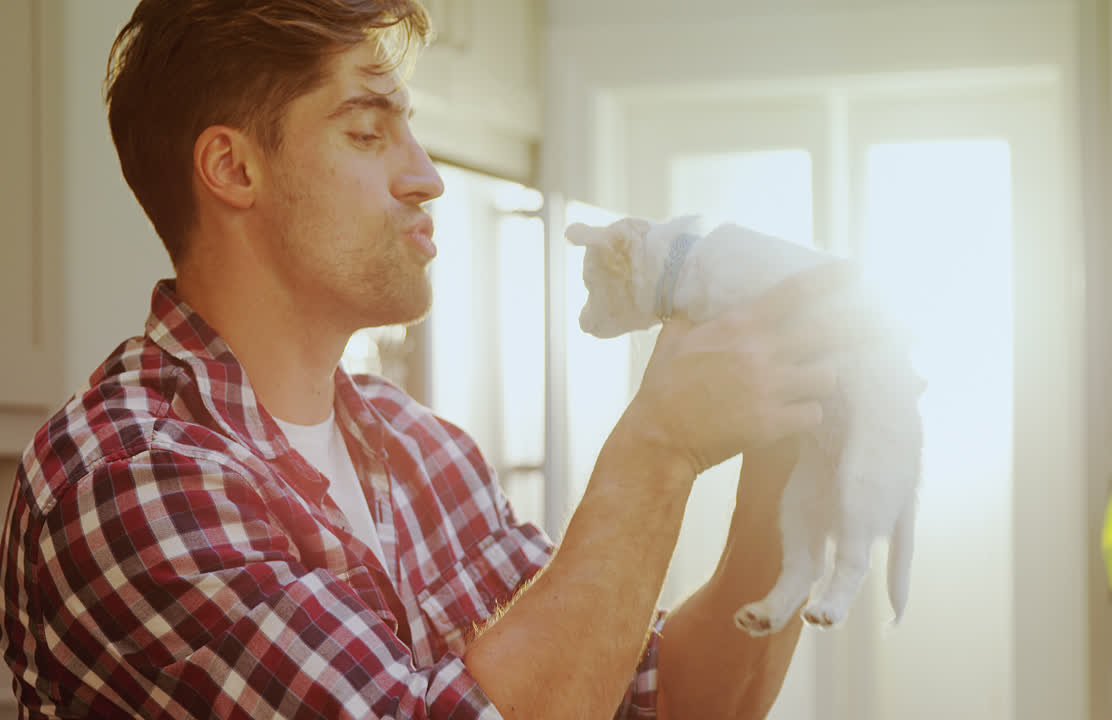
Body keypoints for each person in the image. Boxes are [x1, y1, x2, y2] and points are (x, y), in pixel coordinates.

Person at [0, 1, 854, 718]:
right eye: (368, 132)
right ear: (233, 167)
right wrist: (659, 445)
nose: (426, 177)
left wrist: (791, 424)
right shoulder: (130, 482)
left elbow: (662, 701)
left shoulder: (419, 449)